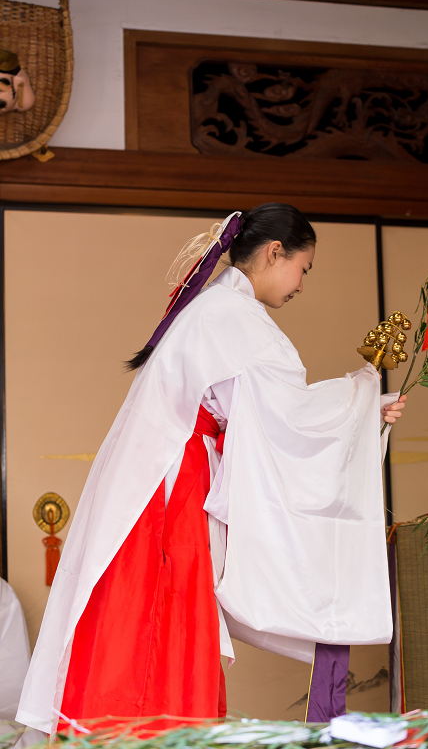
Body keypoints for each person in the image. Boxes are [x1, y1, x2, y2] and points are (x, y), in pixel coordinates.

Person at [17, 203, 406, 735]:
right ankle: (157, 735)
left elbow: (269, 412)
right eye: (303, 268)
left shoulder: (216, 309)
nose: (301, 284)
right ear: (274, 253)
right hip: (172, 492)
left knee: (142, 622)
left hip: (162, 477)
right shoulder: (235, 318)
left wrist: (365, 407)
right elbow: (288, 416)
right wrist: (363, 396)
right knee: (165, 620)